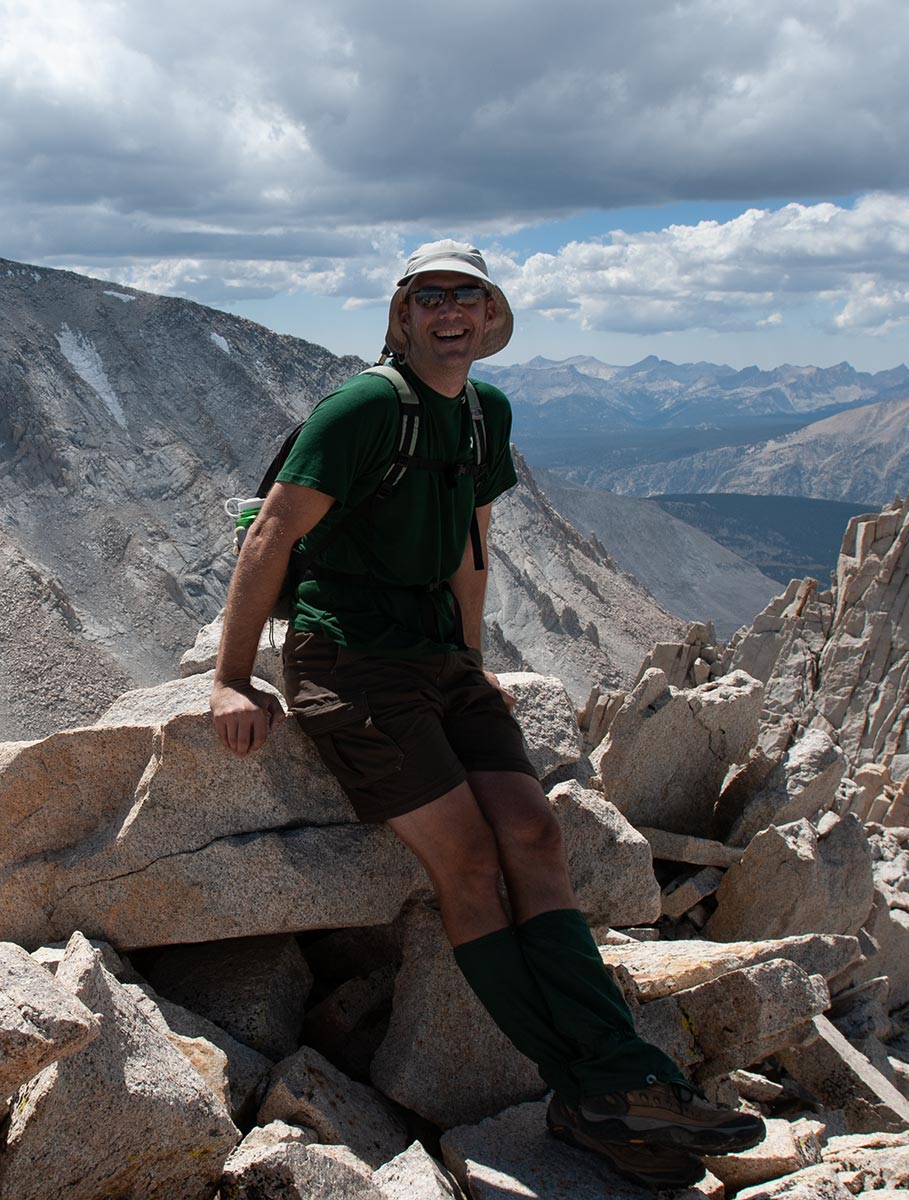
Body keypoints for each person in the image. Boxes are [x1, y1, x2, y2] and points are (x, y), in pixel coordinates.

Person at [210, 239, 765, 1189]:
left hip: (437, 660)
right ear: (404, 314)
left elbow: (473, 541)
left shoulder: (482, 412)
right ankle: (608, 1084)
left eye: (468, 297)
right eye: (431, 297)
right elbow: (271, 531)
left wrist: (472, 664)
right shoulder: (362, 408)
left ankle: (612, 1092)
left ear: (490, 316)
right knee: (468, 859)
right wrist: (231, 676)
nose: (450, 312)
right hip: (352, 659)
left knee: (533, 834)